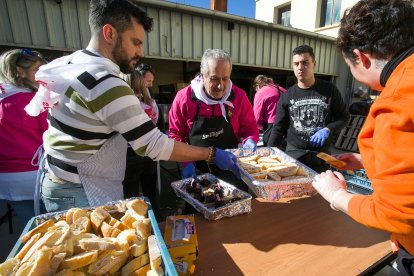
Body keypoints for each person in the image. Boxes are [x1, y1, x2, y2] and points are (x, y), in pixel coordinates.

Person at [24, 0, 240, 213]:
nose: (141, 52)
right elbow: (154, 145)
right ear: (109, 34)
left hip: (59, 179)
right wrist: (211, 153)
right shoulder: (105, 82)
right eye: (135, 42)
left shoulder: (76, 62)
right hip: (79, 187)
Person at [312, 0, 414, 274]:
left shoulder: (395, 103)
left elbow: (397, 214)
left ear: (361, 57)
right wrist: (368, 160)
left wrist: (336, 196)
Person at [168, 48, 259, 190]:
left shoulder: (239, 96)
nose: (220, 86)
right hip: (197, 170)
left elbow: (250, 128)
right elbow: (176, 134)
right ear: (202, 74)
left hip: (231, 167)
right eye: (214, 78)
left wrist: (250, 140)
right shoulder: (184, 98)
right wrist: (186, 163)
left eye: (225, 79)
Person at [268, 45, 349, 173]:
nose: (300, 67)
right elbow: (278, 128)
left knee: (320, 191)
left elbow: (344, 117)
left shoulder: (329, 90)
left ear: (314, 64)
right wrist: (269, 152)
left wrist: (328, 129)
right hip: (294, 155)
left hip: (321, 156)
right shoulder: (287, 96)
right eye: (296, 64)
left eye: (305, 62)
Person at [0, 48, 47, 224]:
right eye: (37, 70)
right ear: (20, 72)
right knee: (55, 228)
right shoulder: (35, 101)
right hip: (36, 176)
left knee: (32, 227)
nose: (41, 75)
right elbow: (53, 136)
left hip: (7, 180)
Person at [121, 70, 160, 217]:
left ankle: (138, 224)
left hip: (128, 154)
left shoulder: (122, 105)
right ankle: (158, 222)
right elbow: (155, 124)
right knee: (152, 193)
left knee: (131, 197)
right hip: (149, 151)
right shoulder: (150, 104)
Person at [252, 74, 286, 146]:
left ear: (258, 84)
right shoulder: (283, 90)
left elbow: (256, 116)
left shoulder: (261, 92)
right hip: (286, 127)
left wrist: (255, 130)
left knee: (269, 153)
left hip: (271, 127)